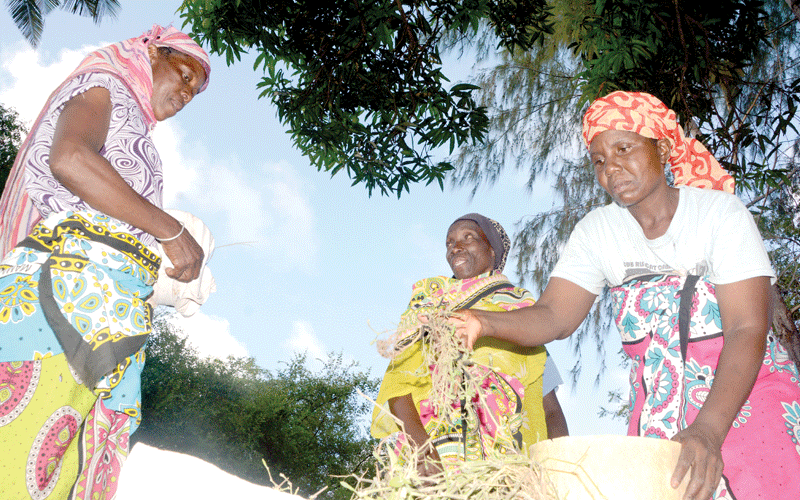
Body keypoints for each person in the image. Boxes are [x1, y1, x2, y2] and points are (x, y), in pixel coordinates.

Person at [450, 91, 800, 500]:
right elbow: (553, 316)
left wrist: (707, 429)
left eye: (624, 148)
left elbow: (746, 327)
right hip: (659, 419)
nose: (611, 167)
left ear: (663, 147)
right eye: (599, 160)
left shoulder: (718, 214)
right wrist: (483, 321)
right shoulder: (598, 233)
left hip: (744, 399)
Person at [0, 25, 210, 499]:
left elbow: (114, 228)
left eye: (193, 94)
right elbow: (70, 158)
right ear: (151, 53)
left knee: (62, 477)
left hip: (103, 319)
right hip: (59, 314)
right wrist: (171, 232)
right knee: (18, 463)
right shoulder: (104, 85)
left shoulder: (136, 129)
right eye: (182, 76)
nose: (184, 94)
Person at [371, 213, 568, 475]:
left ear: (492, 250)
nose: (456, 247)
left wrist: (558, 470)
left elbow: (551, 410)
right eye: (449, 242)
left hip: (507, 469)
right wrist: (424, 452)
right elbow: (397, 387)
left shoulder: (520, 320)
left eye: (468, 237)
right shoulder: (429, 309)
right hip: (434, 465)